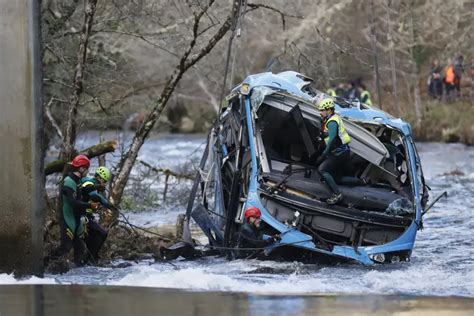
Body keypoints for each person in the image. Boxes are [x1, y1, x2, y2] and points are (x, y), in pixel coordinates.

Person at [50, 155, 99, 266]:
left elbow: (80, 199)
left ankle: (77, 275)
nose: (88, 171)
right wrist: (90, 206)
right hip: (68, 218)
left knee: (80, 247)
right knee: (65, 247)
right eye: (87, 169)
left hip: (77, 219)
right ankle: (45, 264)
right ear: (81, 168)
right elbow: (73, 203)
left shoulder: (78, 181)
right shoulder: (69, 181)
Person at [316, 98, 351, 205]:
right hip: (341, 151)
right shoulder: (331, 118)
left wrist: (323, 155)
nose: (320, 112)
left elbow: (332, 140)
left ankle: (337, 195)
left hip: (339, 153)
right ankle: (363, 182)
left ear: (329, 110)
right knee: (337, 178)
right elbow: (330, 135)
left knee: (322, 170)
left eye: (322, 110)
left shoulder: (332, 121)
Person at [80, 166, 113, 263]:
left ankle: (90, 257)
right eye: (105, 181)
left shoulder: (95, 185)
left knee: (95, 235)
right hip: (81, 217)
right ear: (100, 178)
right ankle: (91, 259)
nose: (105, 183)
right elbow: (94, 195)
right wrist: (106, 203)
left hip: (86, 216)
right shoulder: (89, 182)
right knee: (102, 233)